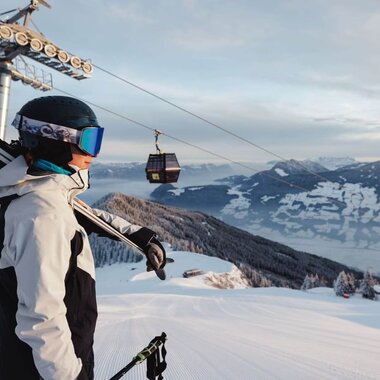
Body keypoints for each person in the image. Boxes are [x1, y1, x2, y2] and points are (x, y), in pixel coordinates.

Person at [0, 96, 166, 379]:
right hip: (41, 367)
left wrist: (136, 234)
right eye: (89, 141)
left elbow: (78, 211)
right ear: (56, 142)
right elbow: (42, 318)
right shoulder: (41, 215)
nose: (95, 153)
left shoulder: (35, 189)